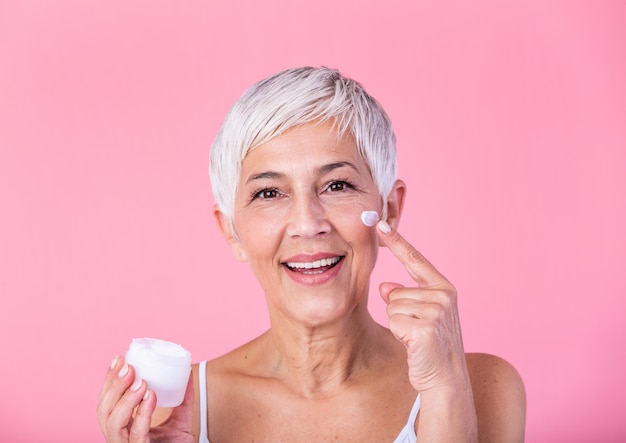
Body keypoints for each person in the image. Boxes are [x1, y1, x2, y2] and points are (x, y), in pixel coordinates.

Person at [97, 66, 526, 442]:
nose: (308, 223)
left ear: (390, 208)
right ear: (232, 232)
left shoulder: (480, 387)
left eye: (337, 185)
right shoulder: (168, 409)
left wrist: (446, 400)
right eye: (269, 192)